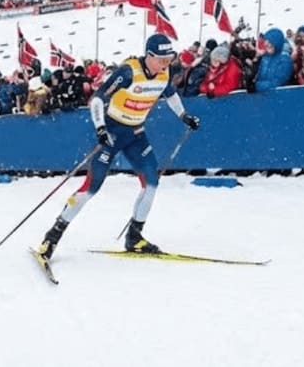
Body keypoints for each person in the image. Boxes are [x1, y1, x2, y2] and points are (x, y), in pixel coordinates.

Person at [36, 34, 200, 260]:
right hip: (112, 134)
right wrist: (101, 128)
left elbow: (170, 95)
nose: (166, 64)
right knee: (90, 188)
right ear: (149, 55)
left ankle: (134, 237)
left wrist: (184, 115)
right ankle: (51, 238)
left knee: (151, 184)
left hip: (136, 135)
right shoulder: (128, 72)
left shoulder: (165, 73)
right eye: (162, 59)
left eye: (169, 59)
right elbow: (97, 99)